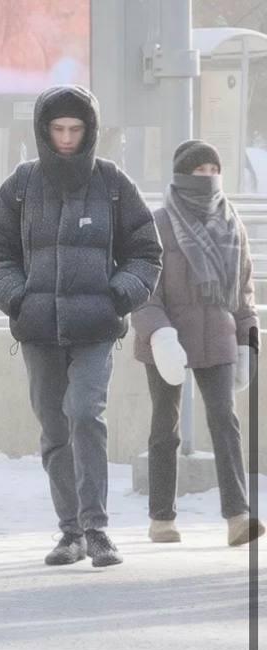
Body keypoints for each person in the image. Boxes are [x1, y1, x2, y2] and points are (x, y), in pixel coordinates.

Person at [0, 84, 162, 568]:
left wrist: (116, 295)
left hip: (96, 328)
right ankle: (70, 532)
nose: (65, 137)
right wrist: (18, 299)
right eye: (57, 128)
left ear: (90, 130)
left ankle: (97, 529)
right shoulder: (20, 185)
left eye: (75, 129)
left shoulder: (113, 183)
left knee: (84, 413)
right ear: (42, 130)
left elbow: (145, 252)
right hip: (38, 331)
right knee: (54, 427)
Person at [132, 139, 265, 547]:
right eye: (198, 171)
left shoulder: (231, 222)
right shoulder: (158, 223)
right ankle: (161, 518)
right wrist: (159, 334)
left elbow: (244, 292)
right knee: (164, 427)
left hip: (219, 333)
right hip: (169, 336)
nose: (207, 179)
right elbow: (142, 291)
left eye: (212, 171)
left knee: (226, 423)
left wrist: (248, 342)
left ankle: (238, 516)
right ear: (180, 176)